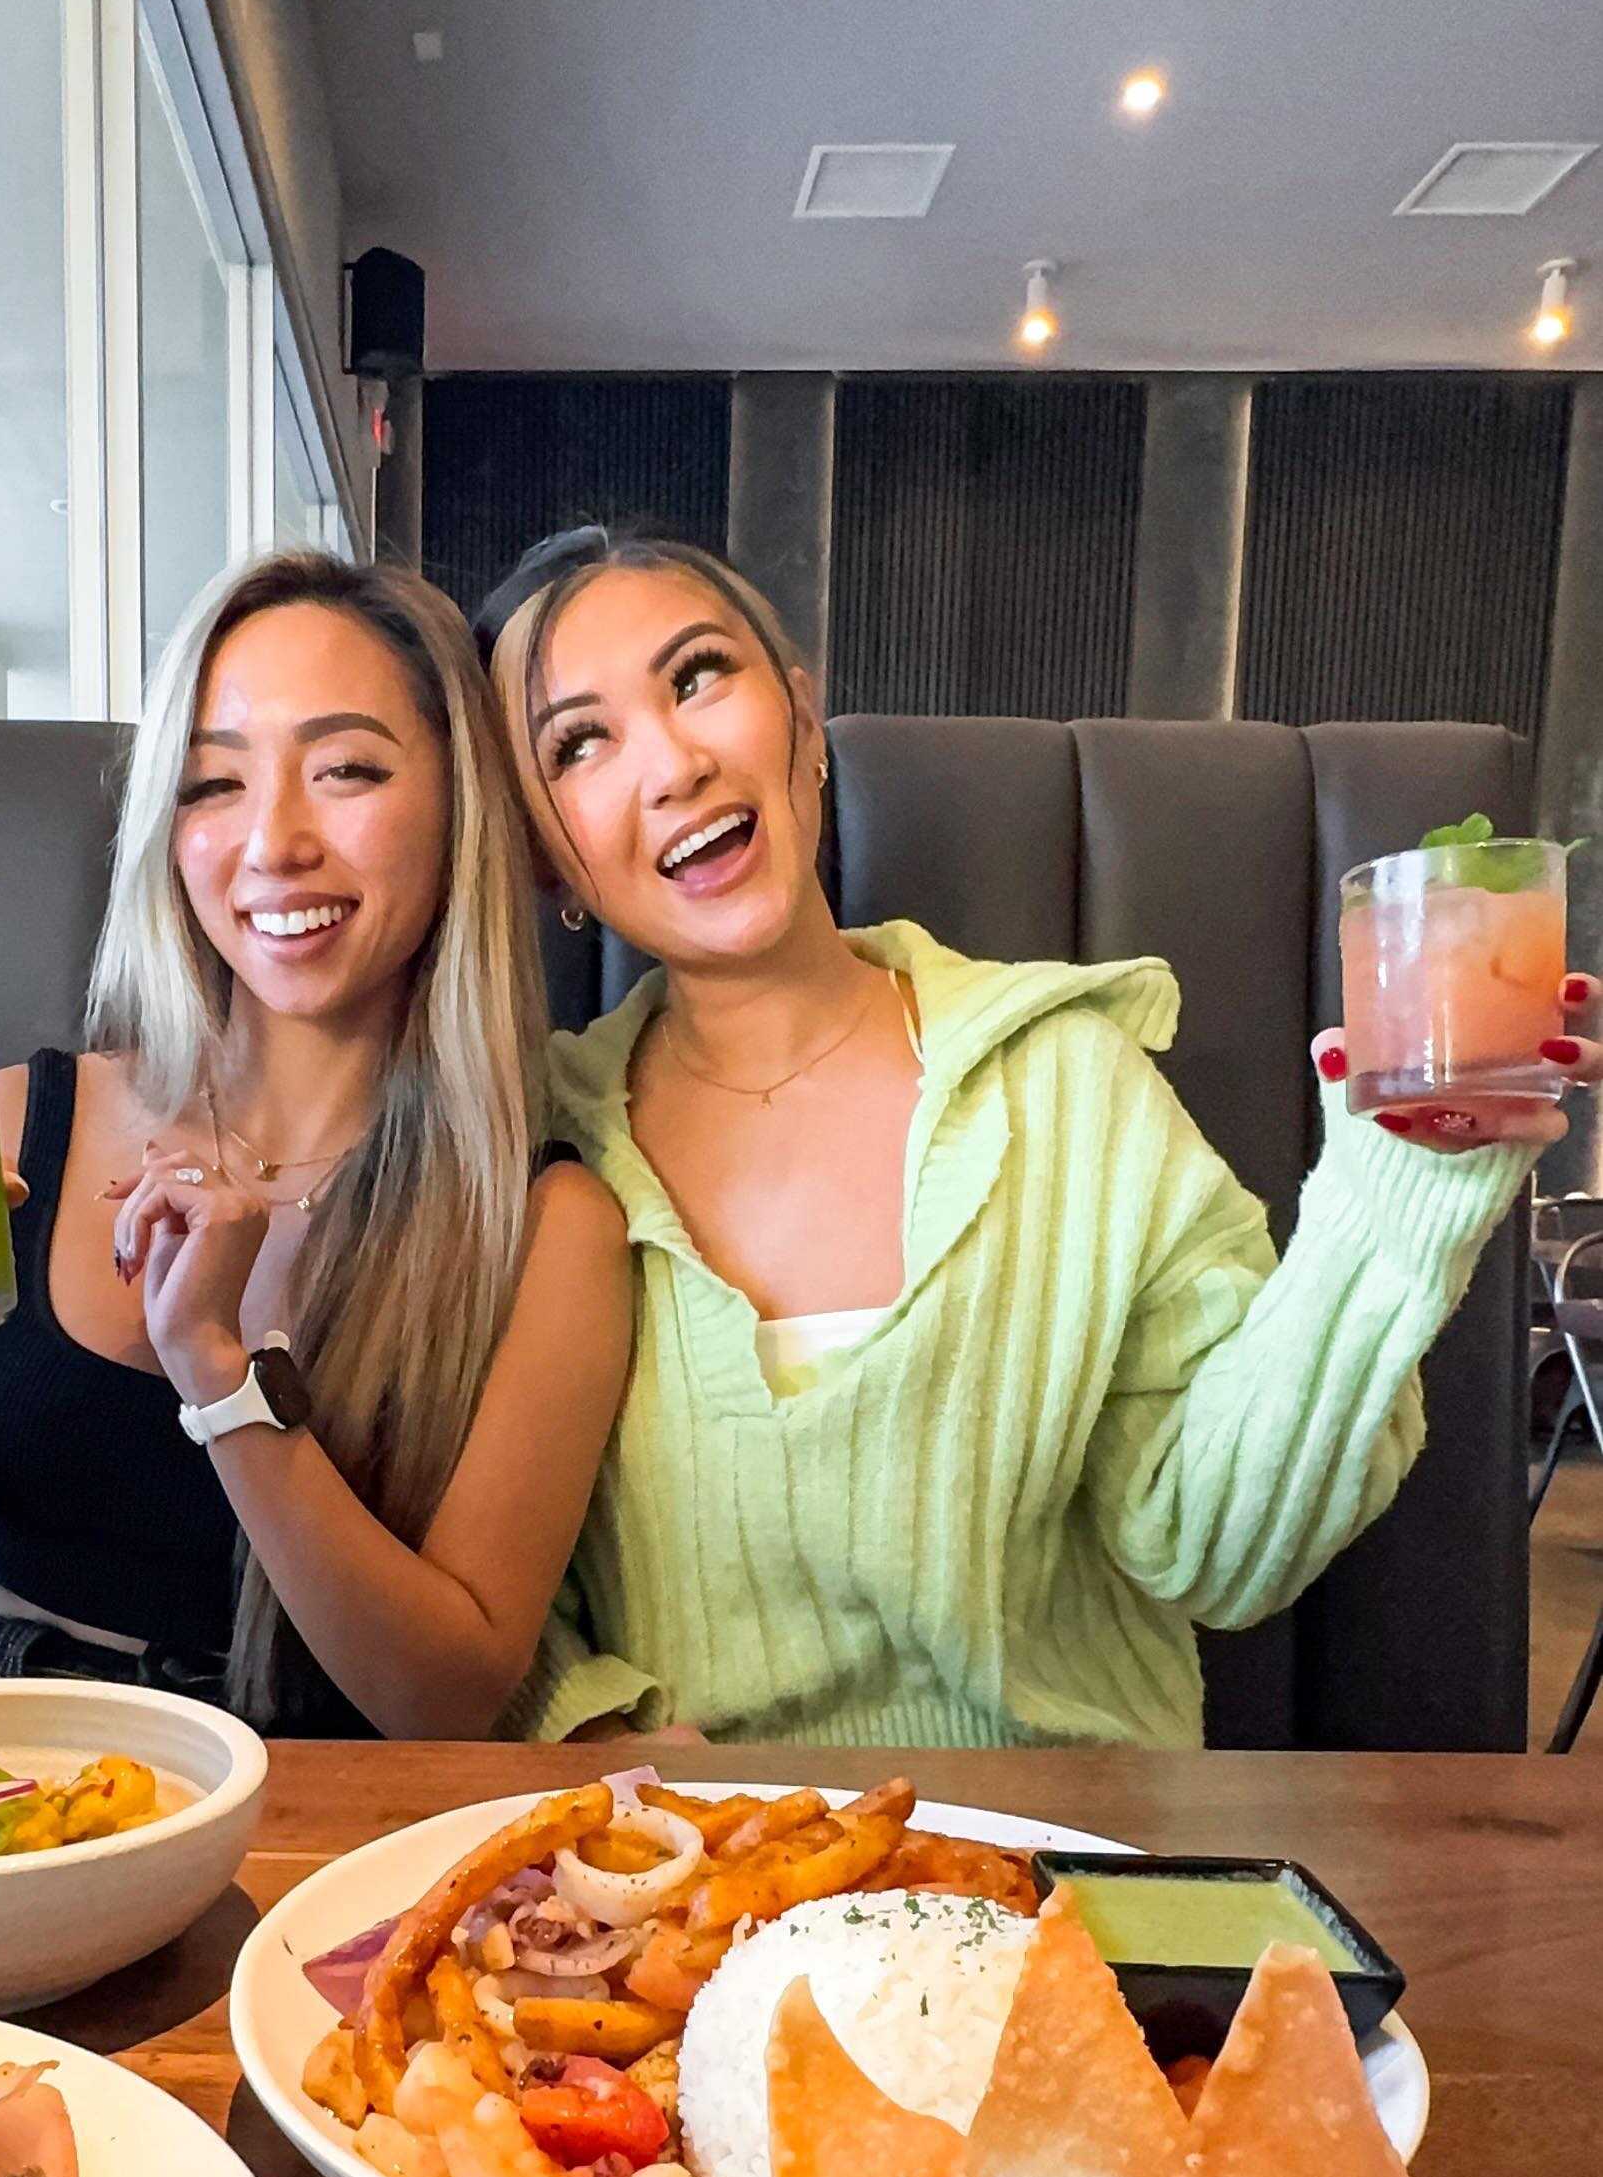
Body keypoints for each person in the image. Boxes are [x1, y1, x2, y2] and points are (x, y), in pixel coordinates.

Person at [479, 526, 1599, 1749]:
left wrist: (1400, 1192)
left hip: (1066, 1872)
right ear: (546, 856)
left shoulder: (1068, 1083)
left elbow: (1216, 1550)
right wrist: (593, 1735)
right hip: (708, 1897)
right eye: (579, 743)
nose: (672, 763)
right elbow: (490, 1607)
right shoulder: (535, 1155)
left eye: (698, 677)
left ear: (801, 717)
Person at [0, 548, 630, 1736]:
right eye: (215, 785)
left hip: (306, 1831)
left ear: (459, 809)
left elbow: (445, 1699)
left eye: (348, 769)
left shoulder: (543, 1225)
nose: (275, 842)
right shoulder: (11, 1120)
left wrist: (216, 1369)